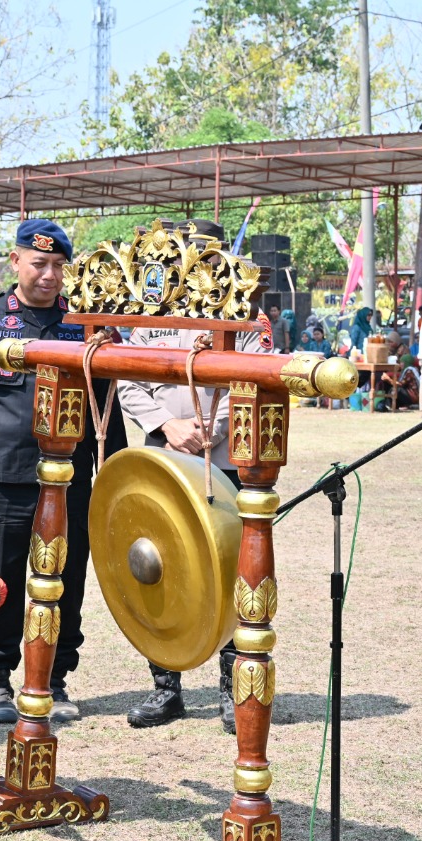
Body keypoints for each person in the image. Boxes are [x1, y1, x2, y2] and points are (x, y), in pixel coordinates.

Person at [0, 219, 126, 726]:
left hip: (71, 478)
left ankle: (54, 678)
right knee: (1, 580)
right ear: (15, 262)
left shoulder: (83, 326)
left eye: (59, 265)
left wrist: (113, 472)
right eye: (39, 264)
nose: (50, 275)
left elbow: (107, 410)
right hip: (3, 477)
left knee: (65, 580)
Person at [117, 219, 243, 732]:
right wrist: (167, 424)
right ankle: (166, 691)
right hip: (163, 454)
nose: (186, 260)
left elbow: (257, 376)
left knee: (232, 568)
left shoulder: (242, 310)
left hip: (227, 457)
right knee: (159, 564)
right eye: (179, 251)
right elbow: (126, 379)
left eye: (197, 251)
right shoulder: (152, 313)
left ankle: (235, 695)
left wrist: (212, 426)